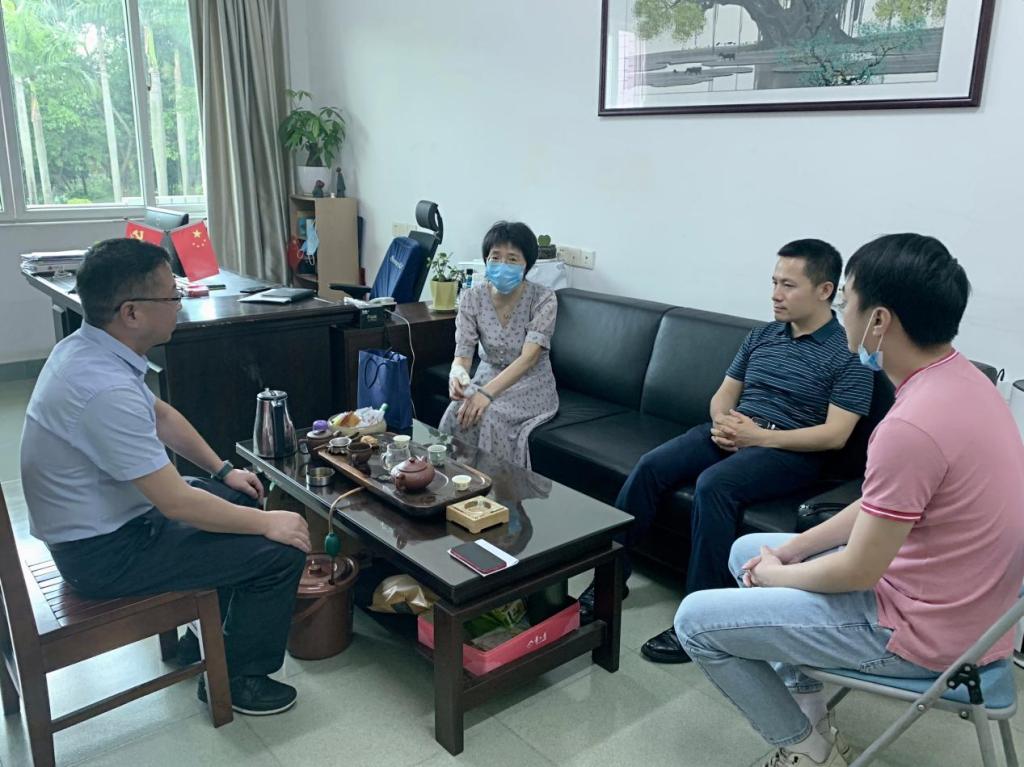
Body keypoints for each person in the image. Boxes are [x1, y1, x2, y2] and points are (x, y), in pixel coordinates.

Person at [675, 233, 1024, 767]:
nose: (843, 316)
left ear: (878, 320)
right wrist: (791, 552)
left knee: (695, 622)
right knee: (749, 550)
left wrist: (779, 576)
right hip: (965, 607)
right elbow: (885, 502)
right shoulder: (965, 382)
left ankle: (806, 748)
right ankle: (809, 705)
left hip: (924, 636)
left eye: (846, 302)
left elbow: (860, 570)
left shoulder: (911, 425)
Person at [20, 238, 310, 716]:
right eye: (170, 295)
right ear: (131, 312)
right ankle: (238, 680)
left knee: (239, 499)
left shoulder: (87, 349)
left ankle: (213, 643)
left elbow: (161, 416)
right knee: (280, 551)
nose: (179, 303)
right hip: (103, 554)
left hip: (112, 523)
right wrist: (270, 524)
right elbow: (177, 504)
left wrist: (223, 470)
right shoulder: (102, 390)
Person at [583, 240, 874, 664]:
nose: (775, 294)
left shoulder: (848, 353)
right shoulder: (762, 335)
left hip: (790, 450)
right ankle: (610, 581)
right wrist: (723, 422)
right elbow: (723, 396)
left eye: (788, 285)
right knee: (650, 466)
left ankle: (700, 619)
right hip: (735, 432)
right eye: (774, 282)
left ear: (825, 290)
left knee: (714, 485)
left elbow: (835, 435)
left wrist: (759, 438)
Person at [439, 221, 558, 468]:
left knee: (489, 415)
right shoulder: (472, 298)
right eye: (495, 257)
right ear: (486, 259)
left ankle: (496, 488)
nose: (502, 265)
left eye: (512, 259)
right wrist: (457, 374)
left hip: (530, 384)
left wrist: (485, 394)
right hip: (487, 375)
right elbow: (463, 352)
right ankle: (455, 483)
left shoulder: (543, 298)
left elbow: (529, 358)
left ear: (527, 264)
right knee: (456, 411)